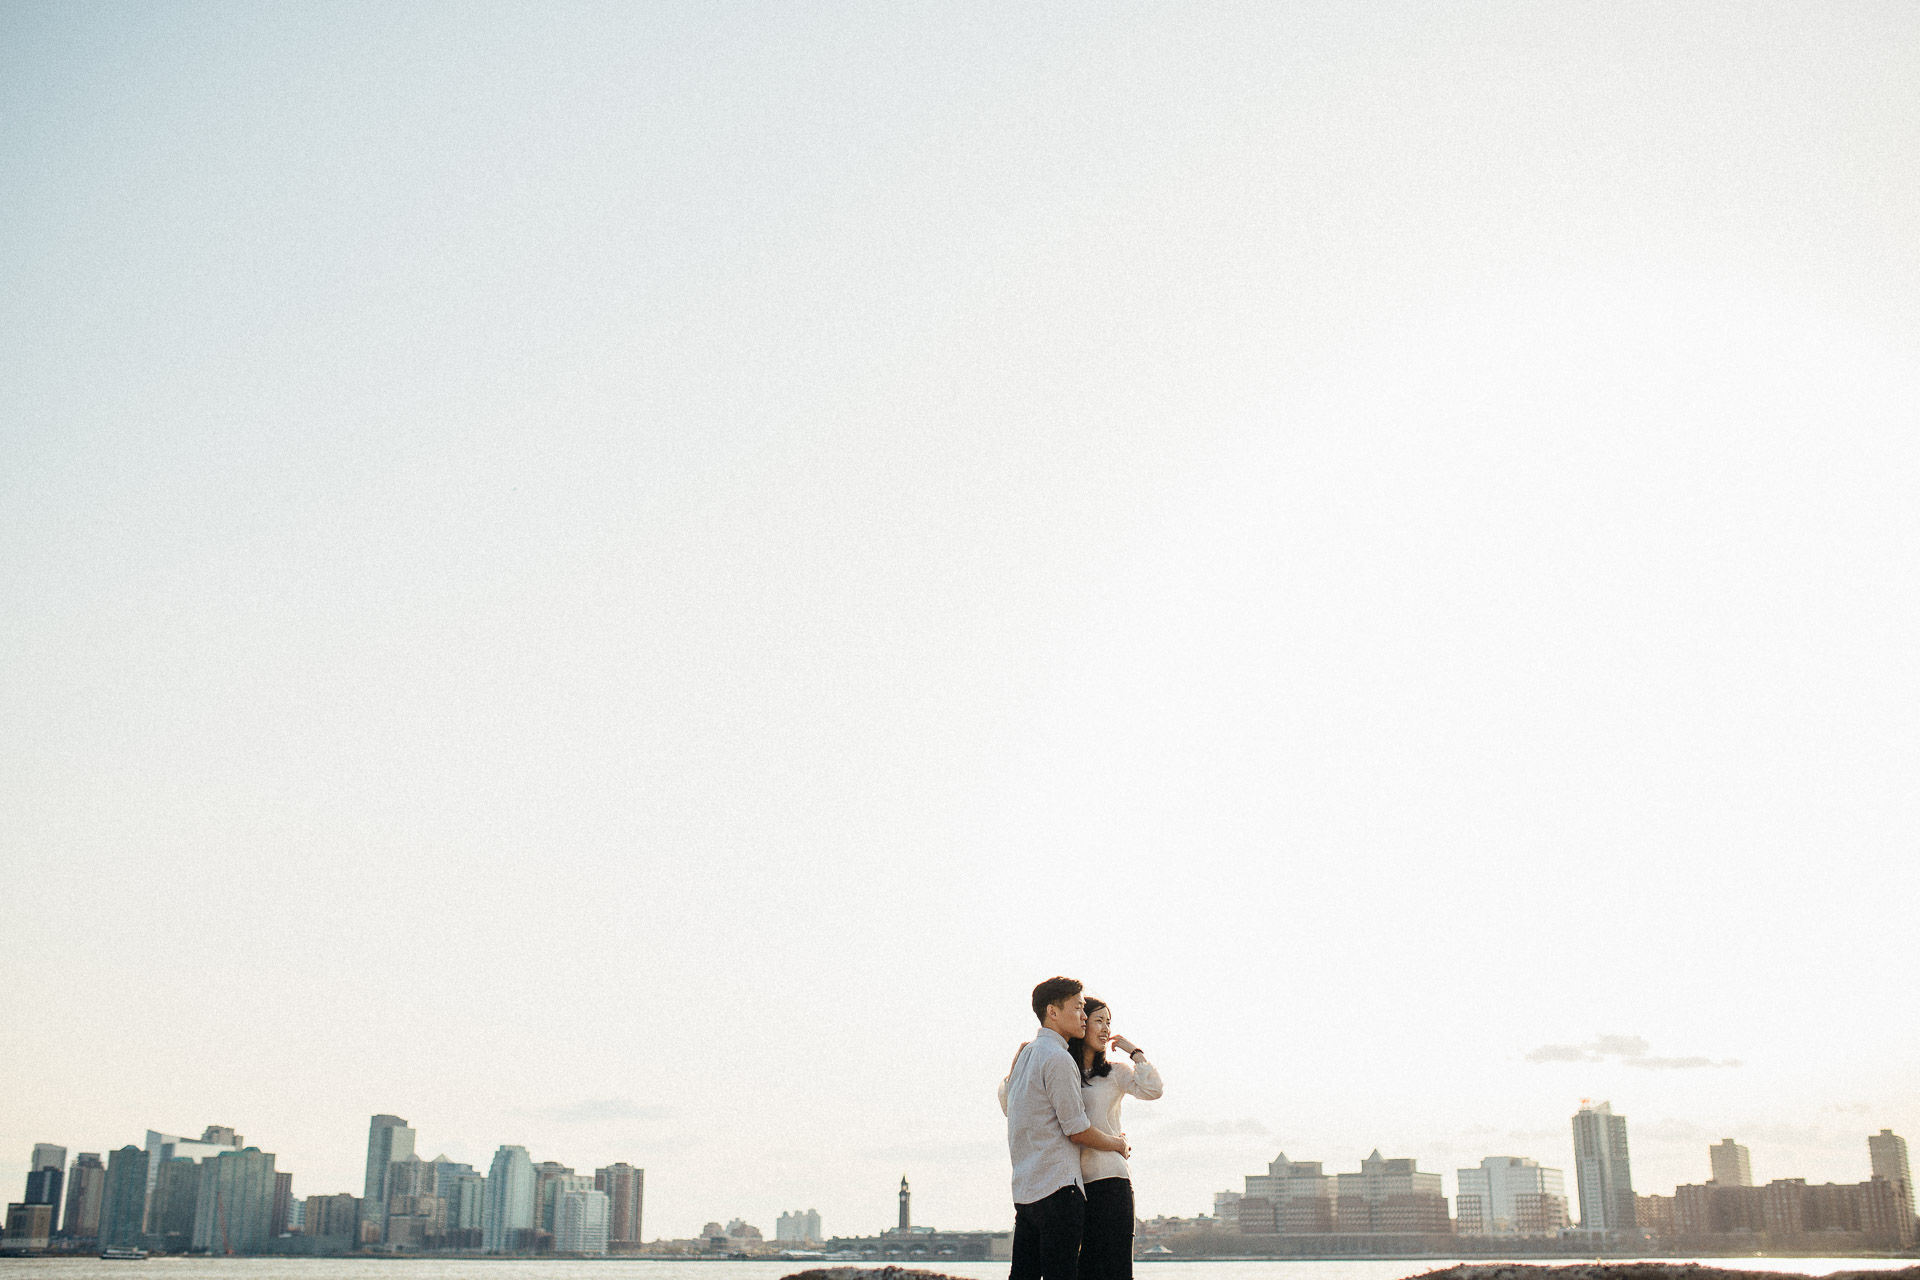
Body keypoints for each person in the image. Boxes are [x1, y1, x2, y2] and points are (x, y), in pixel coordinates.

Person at [1001, 976, 1131, 1280]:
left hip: (1025, 1189)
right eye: (1078, 1008)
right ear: (1053, 1011)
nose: (1084, 1017)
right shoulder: (1058, 1058)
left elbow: (1010, 1108)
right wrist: (1118, 1144)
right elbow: (1077, 1129)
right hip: (1060, 1189)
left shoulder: (1026, 1055)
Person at [1067, 999, 1162, 1280]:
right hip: (1071, 1184)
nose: (1106, 1028)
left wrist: (1135, 1052)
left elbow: (1153, 1090)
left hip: (1111, 1180)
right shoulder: (1062, 1071)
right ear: (1081, 1024)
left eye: (1108, 1022)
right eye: (1099, 1021)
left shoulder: (1115, 1073)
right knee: (1082, 1269)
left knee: (1117, 1268)